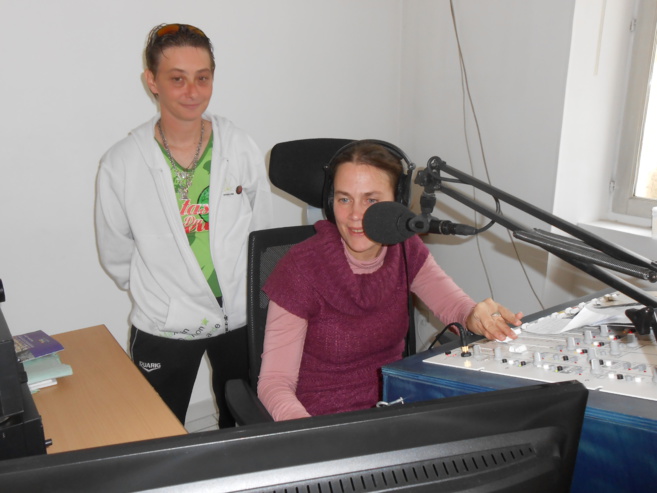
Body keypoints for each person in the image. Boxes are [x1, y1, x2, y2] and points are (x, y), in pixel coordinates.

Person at [257, 141, 522, 421]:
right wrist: (310, 435)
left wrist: (474, 316)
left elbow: (453, 306)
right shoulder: (300, 268)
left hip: (395, 408)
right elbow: (275, 381)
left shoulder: (405, 248)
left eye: (371, 200)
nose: (355, 215)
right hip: (324, 421)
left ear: (398, 202)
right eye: (344, 199)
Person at [95, 23, 272, 427]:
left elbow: (260, 232)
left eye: (202, 78)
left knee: (244, 428)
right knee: (156, 430)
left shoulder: (238, 146)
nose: (192, 92)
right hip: (165, 325)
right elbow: (115, 250)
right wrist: (165, 295)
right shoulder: (122, 162)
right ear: (152, 81)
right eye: (177, 79)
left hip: (240, 318)